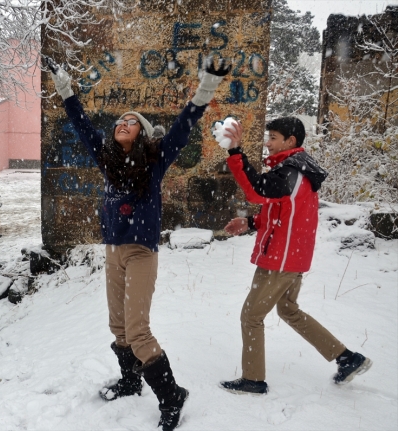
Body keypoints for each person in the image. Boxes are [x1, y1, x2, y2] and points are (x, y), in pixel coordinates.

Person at [49, 58, 230, 430]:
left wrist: (208, 85)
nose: (121, 124)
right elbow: (81, 124)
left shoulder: (155, 161)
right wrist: (65, 86)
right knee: (118, 327)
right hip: (113, 251)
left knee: (138, 331)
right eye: (119, 121)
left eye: (130, 121)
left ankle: (171, 395)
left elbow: (184, 124)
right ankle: (131, 381)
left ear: (143, 133)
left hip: (141, 252)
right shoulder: (108, 161)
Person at [219, 117, 372, 395]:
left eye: (273, 137)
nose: (268, 143)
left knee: (251, 316)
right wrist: (252, 224)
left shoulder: (291, 172)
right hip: (292, 257)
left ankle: (253, 379)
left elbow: (255, 191)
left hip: (280, 260)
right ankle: (347, 357)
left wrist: (236, 152)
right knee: (288, 310)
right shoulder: (297, 171)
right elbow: (281, 213)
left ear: (290, 142)